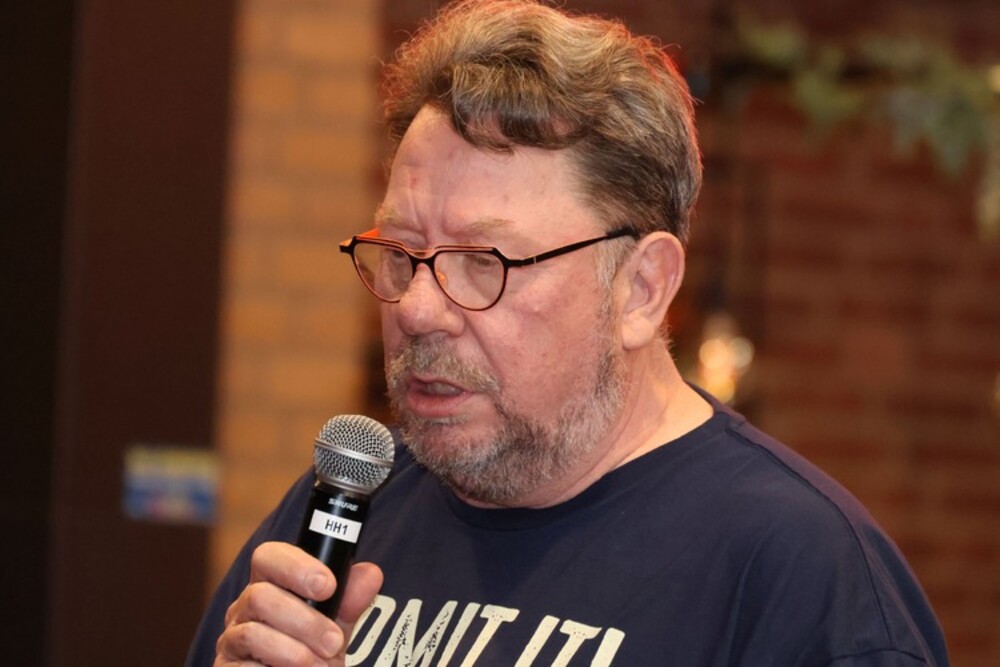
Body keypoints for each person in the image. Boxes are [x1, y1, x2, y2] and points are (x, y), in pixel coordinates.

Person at [188, 1, 949, 665]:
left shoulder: (801, 575)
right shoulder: (345, 514)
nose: (416, 309)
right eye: (401, 252)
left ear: (641, 288)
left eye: (483, 263)